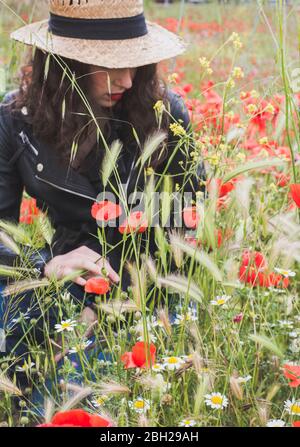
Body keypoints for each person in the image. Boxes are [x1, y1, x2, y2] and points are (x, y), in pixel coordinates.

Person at [0, 0, 205, 393]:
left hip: (151, 290)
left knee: (71, 393)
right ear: (65, 64)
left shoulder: (165, 114)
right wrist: (46, 265)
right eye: (110, 64)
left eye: (134, 63)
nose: (128, 80)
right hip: (62, 278)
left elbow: (188, 217)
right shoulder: (15, 119)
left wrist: (102, 304)